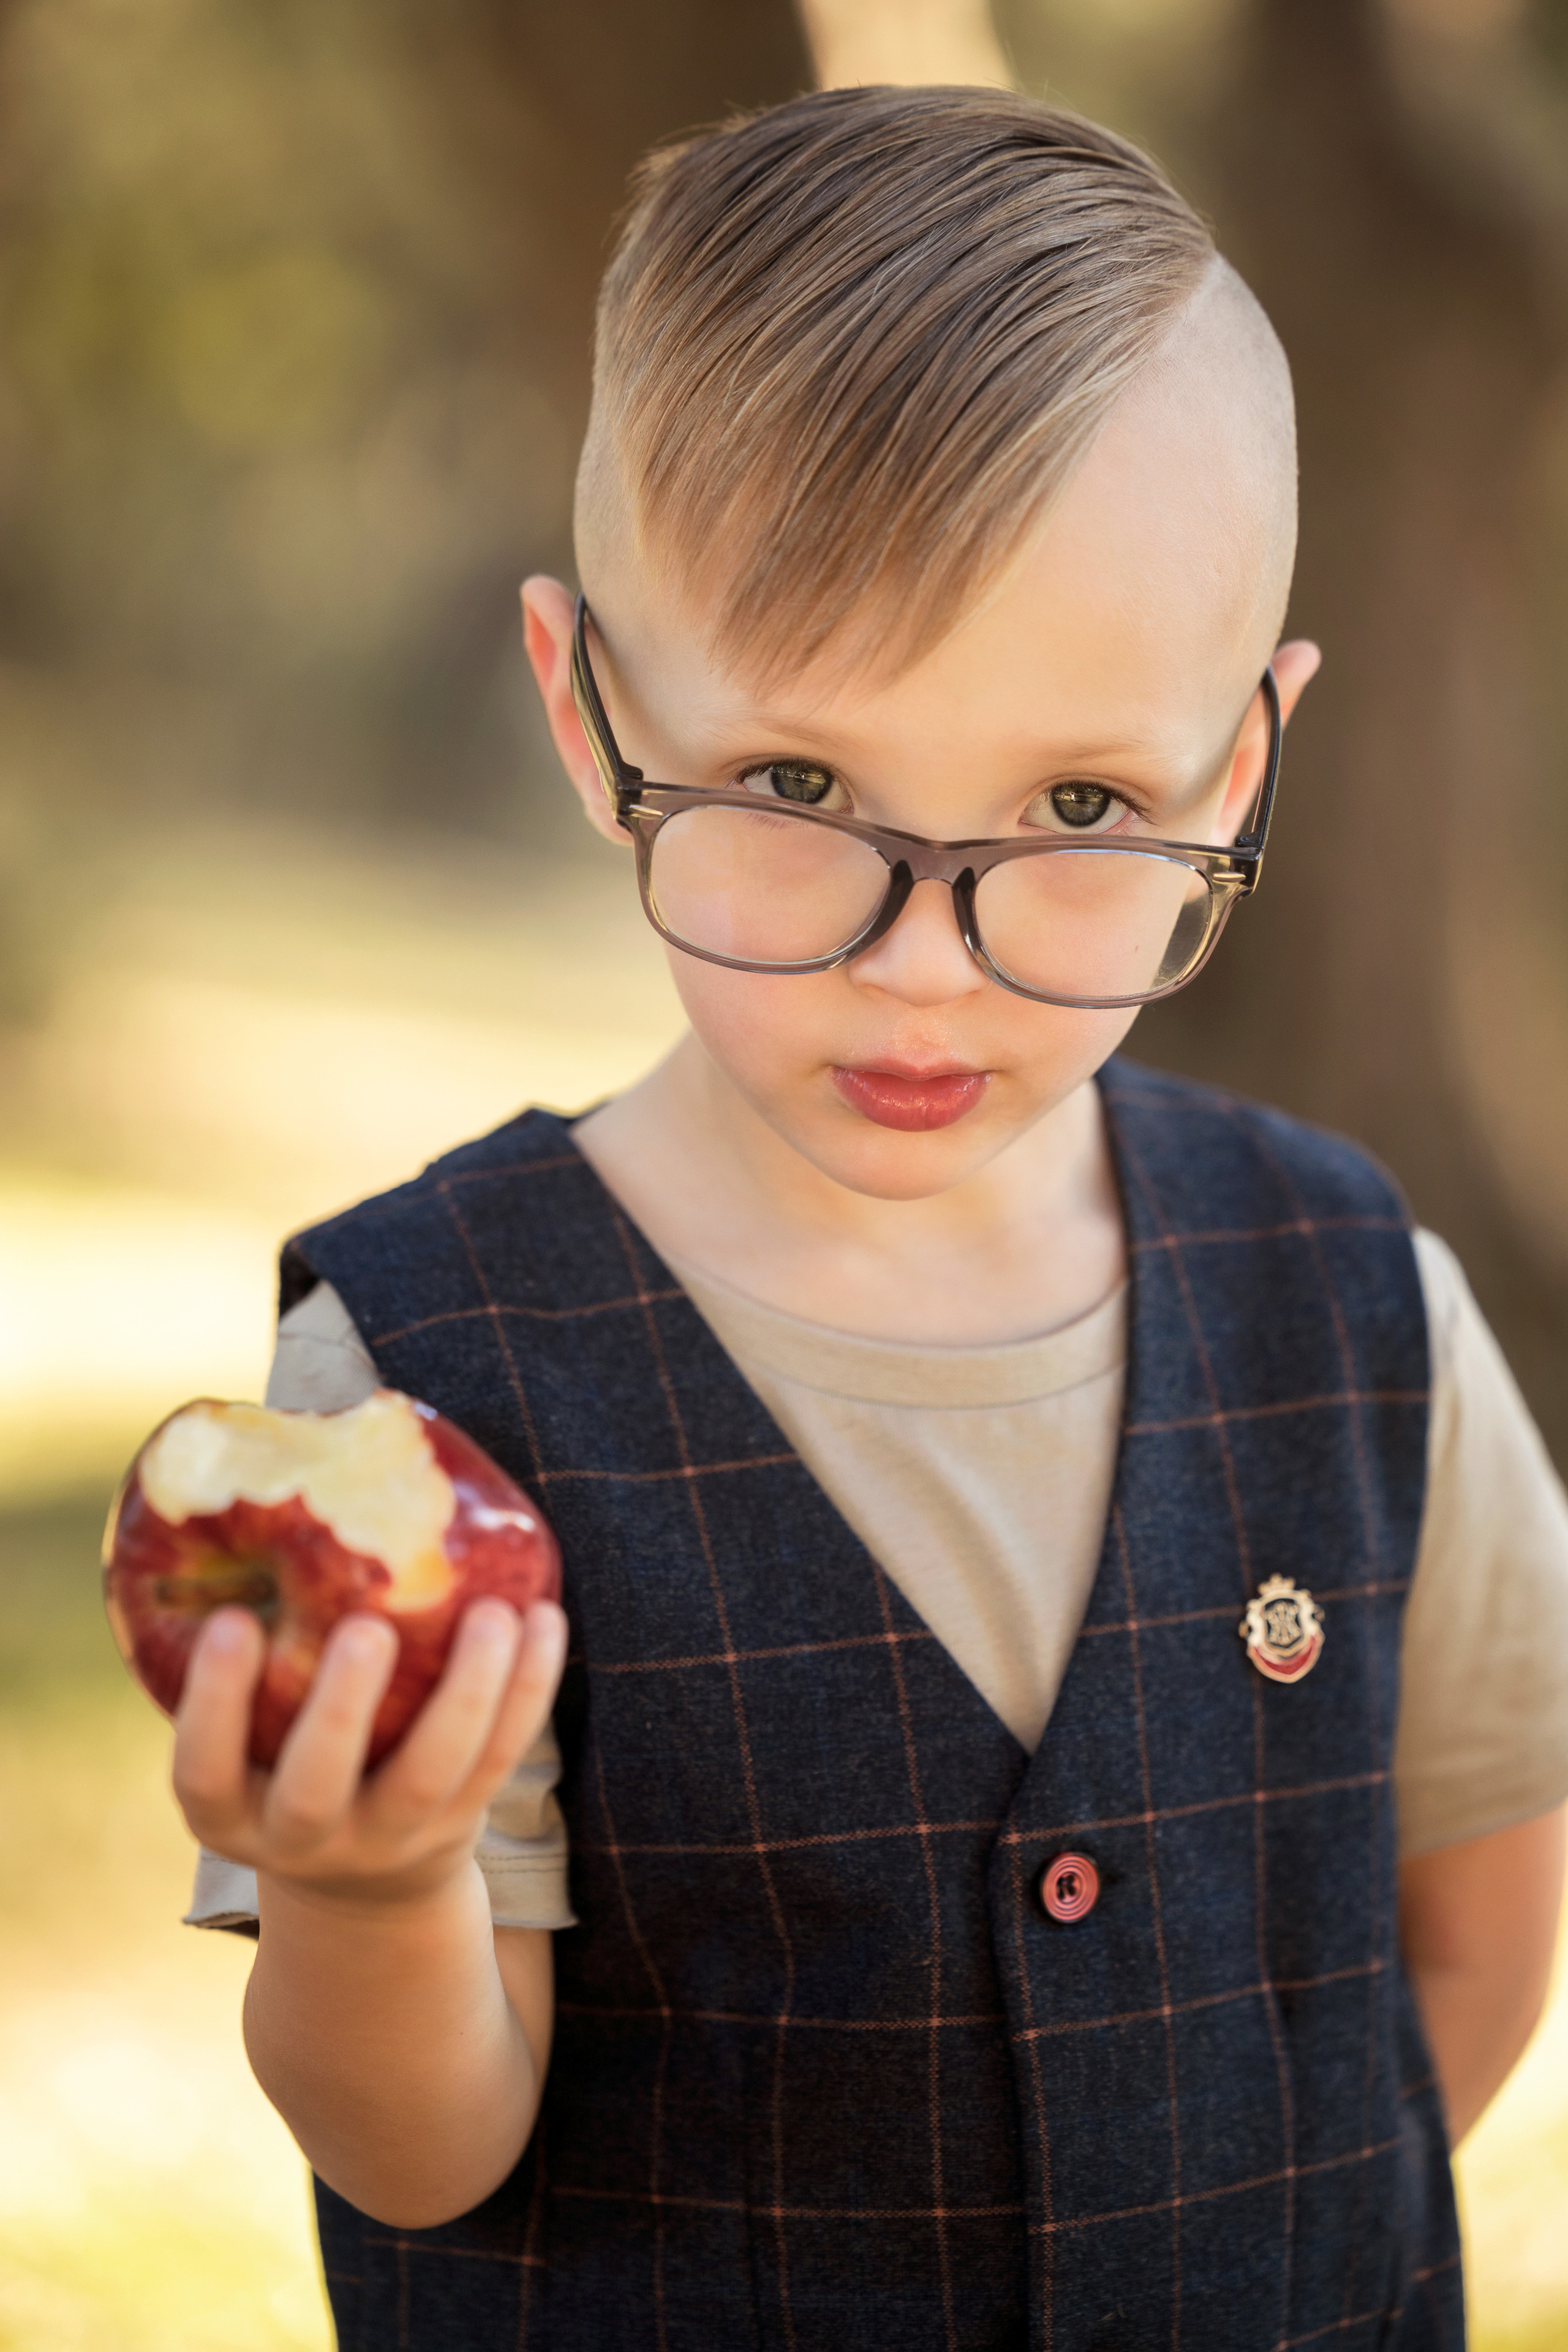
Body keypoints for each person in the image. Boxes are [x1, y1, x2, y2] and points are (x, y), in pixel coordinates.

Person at [172, 86, 1568, 2350]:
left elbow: (1460, 1950)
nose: (927, 952)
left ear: (1247, 766)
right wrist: (366, 1878)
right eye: (801, 787)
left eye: (1086, 801)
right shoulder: (419, 1395)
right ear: (584, 704)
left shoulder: (1360, 1306)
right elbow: (420, 2154)